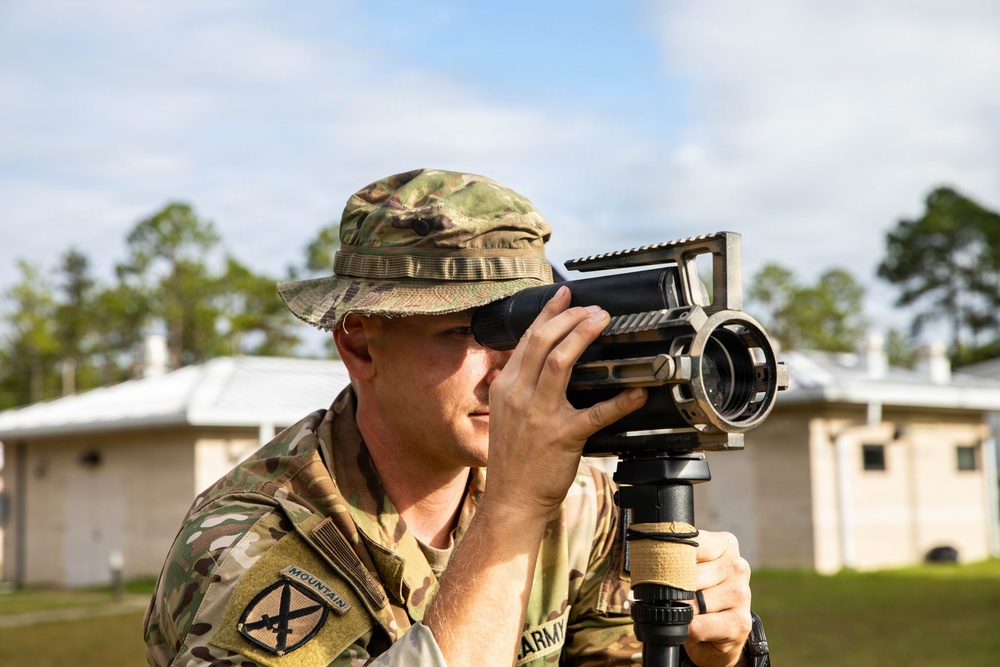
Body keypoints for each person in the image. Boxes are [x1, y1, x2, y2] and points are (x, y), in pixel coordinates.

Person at [143, 168, 754, 667]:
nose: (513, 372)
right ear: (359, 344)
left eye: (537, 330)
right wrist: (514, 511)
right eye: (470, 331)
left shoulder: (578, 501)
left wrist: (719, 657)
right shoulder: (254, 544)